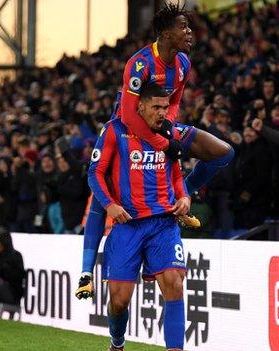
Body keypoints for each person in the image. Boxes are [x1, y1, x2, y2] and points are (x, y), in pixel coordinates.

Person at [76, 2, 233, 300]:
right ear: (165, 33)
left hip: (161, 124)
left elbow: (174, 100)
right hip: (127, 127)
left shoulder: (183, 62)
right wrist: (163, 144)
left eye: (189, 26)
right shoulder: (140, 63)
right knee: (103, 190)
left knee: (223, 152)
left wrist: (169, 124)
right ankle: (85, 270)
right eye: (182, 27)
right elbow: (128, 113)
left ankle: (180, 194)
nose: (189, 32)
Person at [88, 83, 190, 351]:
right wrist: (109, 205)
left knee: (174, 283)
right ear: (140, 106)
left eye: (166, 107)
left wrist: (185, 197)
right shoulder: (115, 130)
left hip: (163, 224)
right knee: (119, 301)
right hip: (127, 224)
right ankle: (117, 343)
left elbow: (177, 174)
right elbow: (94, 173)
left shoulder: (170, 133)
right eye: (156, 107)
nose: (162, 113)